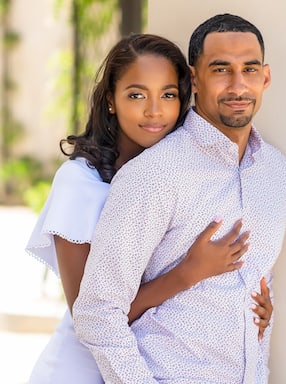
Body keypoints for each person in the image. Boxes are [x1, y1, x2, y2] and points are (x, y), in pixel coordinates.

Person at [25, 33, 272, 384]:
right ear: (111, 100)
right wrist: (188, 273)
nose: (155, 110)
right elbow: (90, 314)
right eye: (137, 95)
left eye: (168, 94)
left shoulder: (180, 177)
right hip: (81, 372)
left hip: (148, 365)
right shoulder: (81, 183)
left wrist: (253, 311)